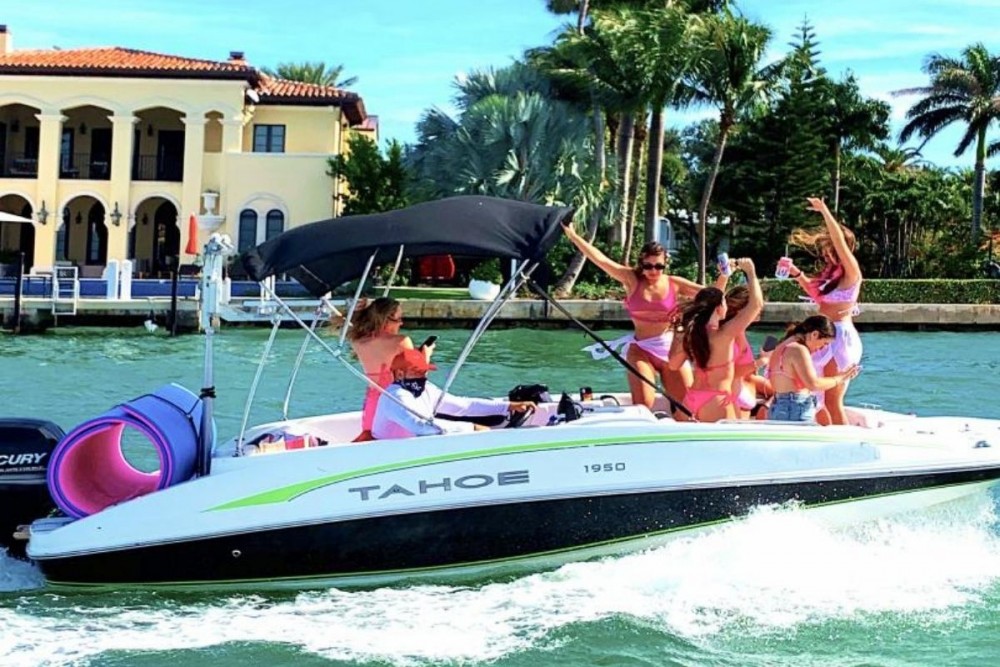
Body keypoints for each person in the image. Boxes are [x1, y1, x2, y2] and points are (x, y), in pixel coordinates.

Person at [562, 221, 726, 412]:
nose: (653, 271)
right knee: (644, 406)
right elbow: (601, 260)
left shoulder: (674, 283)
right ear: (641, 263)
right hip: (641, 349)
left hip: (669, 349)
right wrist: (573, 236)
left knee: (688, 406)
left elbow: (713, 295)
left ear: (666, 263)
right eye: (648, 266)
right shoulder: (631, 280)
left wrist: (724, 275)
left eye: (659, 266)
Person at [785, 197, 863, 425]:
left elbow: (839, 240)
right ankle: (826, 434)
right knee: (817, 396)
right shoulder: (832, 276)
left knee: (832, 399)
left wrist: (824, 211)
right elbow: (816, 294)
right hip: (824, 334)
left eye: (831, 250)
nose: (827, 254)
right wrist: (795, 272)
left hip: (840, 337)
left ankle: (845, 444)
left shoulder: (851, 271)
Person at [371, 349, 536, 439]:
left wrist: (507, 406)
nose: (423, 377)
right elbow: (421, 426)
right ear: (399, 374)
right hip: (391, 453)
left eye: (424, 372)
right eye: (417, 373)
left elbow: (462, 406)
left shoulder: (426, 389)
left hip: (414, 449)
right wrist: (471, 428)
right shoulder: (395, 397)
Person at [674, 258, 763, 422]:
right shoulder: (725, 334)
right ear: (720, 309)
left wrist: (724, 276)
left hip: (690, 400)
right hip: (716, 400)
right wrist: (751, 272)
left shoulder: (691, 333)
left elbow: (673, 364)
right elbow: (756, 305)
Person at [342, 297, 434, 441]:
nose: (402, 323)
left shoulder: (357, 341)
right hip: (395, 399)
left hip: (372, 401)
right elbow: (416, 376)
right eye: (399, 319)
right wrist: (426, 356)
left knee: (369, 437)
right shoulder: (401, 341)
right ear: (386, 319)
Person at [767, 316, 861, 423]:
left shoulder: (782, 347)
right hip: (795, 407)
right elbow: (813, 384)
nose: (822, 348)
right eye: (824, 343)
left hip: (778, 405)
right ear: (814, 334)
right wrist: (841, 378)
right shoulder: (798, 350)